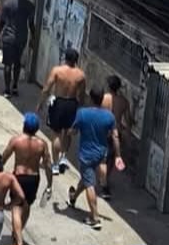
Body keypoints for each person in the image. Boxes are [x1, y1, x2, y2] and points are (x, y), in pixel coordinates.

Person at [67, 88, 122, 231]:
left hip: (86, 155)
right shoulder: (109, 116)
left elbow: (72, 132)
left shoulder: (82, 113)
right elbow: (115, 136)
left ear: (90, 98)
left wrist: (70, 131)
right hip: (101, 153)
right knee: (87, 179)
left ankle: (94, 217)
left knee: (90, 184)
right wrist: (118, 155)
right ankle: (73, 197)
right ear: (102, 98)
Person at [0, 113, 53, 242]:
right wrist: (50, 184)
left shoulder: (16, 141)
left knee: (16, 207)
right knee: (27, 205)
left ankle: (18, 239)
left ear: (24, 126)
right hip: (33, 179)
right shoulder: (42, 144)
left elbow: (4, 157)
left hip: (18, 177)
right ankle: (17, 233)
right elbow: (48, 165)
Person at [37, 48, 87, 174]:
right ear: (76, 60)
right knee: (68, 132)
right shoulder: (80, 75)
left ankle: (54, 164)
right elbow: (81, 96)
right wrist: (79, 108)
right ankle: (64, 156)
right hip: (72, 104)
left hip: (58, 103)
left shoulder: (57, 71)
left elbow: (47, 88)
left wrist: (41, 103)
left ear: (65, 58)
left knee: (56, 134)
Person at [0, 0, 36, 97]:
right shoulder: (29, 5)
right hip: (21, 38)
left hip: (9, 38)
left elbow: (2, 22)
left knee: (7, 64)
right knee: (17, 62)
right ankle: (15, 86)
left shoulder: (7, 4)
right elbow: (31, 24)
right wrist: (33, 38)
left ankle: (7, 89)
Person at [100, 75, 132, 199]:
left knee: (102, 158)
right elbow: (128, 120)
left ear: (109, 86)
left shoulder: (104, 98)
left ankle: (104, 183)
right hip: (116, 132)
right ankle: (106, 179)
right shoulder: (124, 102)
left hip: (104, 130)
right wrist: (127, 133)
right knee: (112, 158)